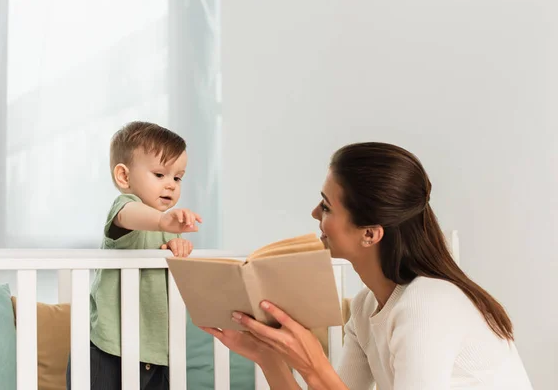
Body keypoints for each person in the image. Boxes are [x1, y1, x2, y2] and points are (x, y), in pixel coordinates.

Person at [201, 142, 533, 389]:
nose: (315, 214)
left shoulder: (429, 302)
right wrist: (269, 357)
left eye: (327, 207)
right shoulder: (365, 307)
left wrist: (315, 365)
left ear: (370, 234)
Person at [66, 121, 202, 390]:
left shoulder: (168, 226)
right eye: (160, 174)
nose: (171, 185)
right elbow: (131, 216)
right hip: (109, 347)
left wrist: (180, 246)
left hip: (157, 350)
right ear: (124, 177)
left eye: (177, 177)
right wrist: (164, 222)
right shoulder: (127, 207)